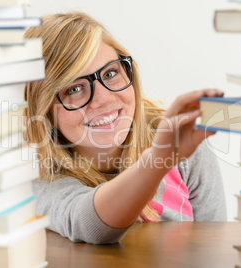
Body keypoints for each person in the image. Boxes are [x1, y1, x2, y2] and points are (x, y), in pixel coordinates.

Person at [24, 11, 227, 244]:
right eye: (73, 89)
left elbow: (215, 245)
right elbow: (90, 224)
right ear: (44, 111)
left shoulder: (183, 145)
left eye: (110, 73)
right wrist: (159, 157)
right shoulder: (42, 175)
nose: (103, 99)